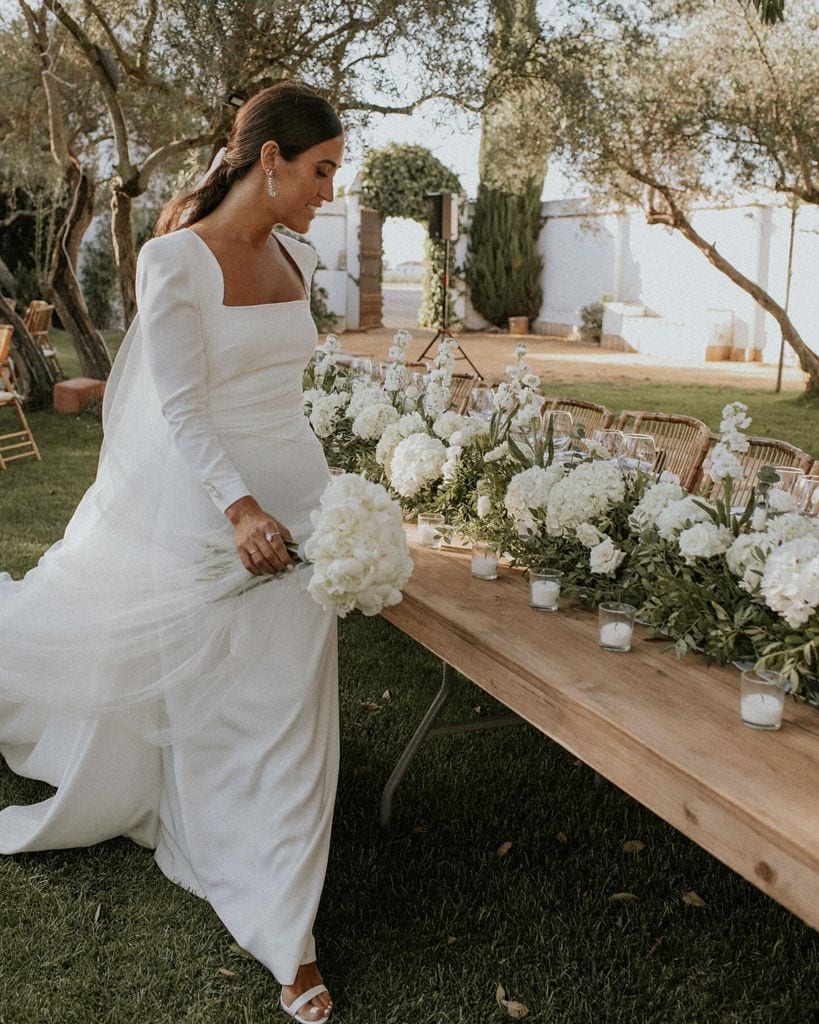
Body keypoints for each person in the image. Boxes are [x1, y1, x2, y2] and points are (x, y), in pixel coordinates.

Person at [0, 81, 344, 1023]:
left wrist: (335, 497)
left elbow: (288, 387)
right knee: (241, 695)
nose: (327, 192)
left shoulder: (297, 254)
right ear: (269, 159)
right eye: (318, 172)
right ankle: (287, 931)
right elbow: (182, 408)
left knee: (285, 704)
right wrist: (238, 510)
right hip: (215, 507)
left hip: (305, 502)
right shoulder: (173, 261)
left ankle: (281, 915)